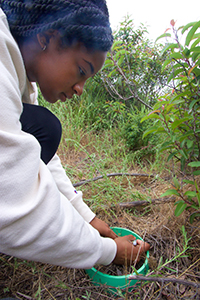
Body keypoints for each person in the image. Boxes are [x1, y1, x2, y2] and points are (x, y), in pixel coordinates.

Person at [0, 0, 150, 271]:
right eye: (82, 70)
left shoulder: (18, 75)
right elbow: (15, 208)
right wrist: (109, 251)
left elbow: (33, 156)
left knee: (42, 127)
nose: (81, 89)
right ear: (47, 38)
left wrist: (86, 217)